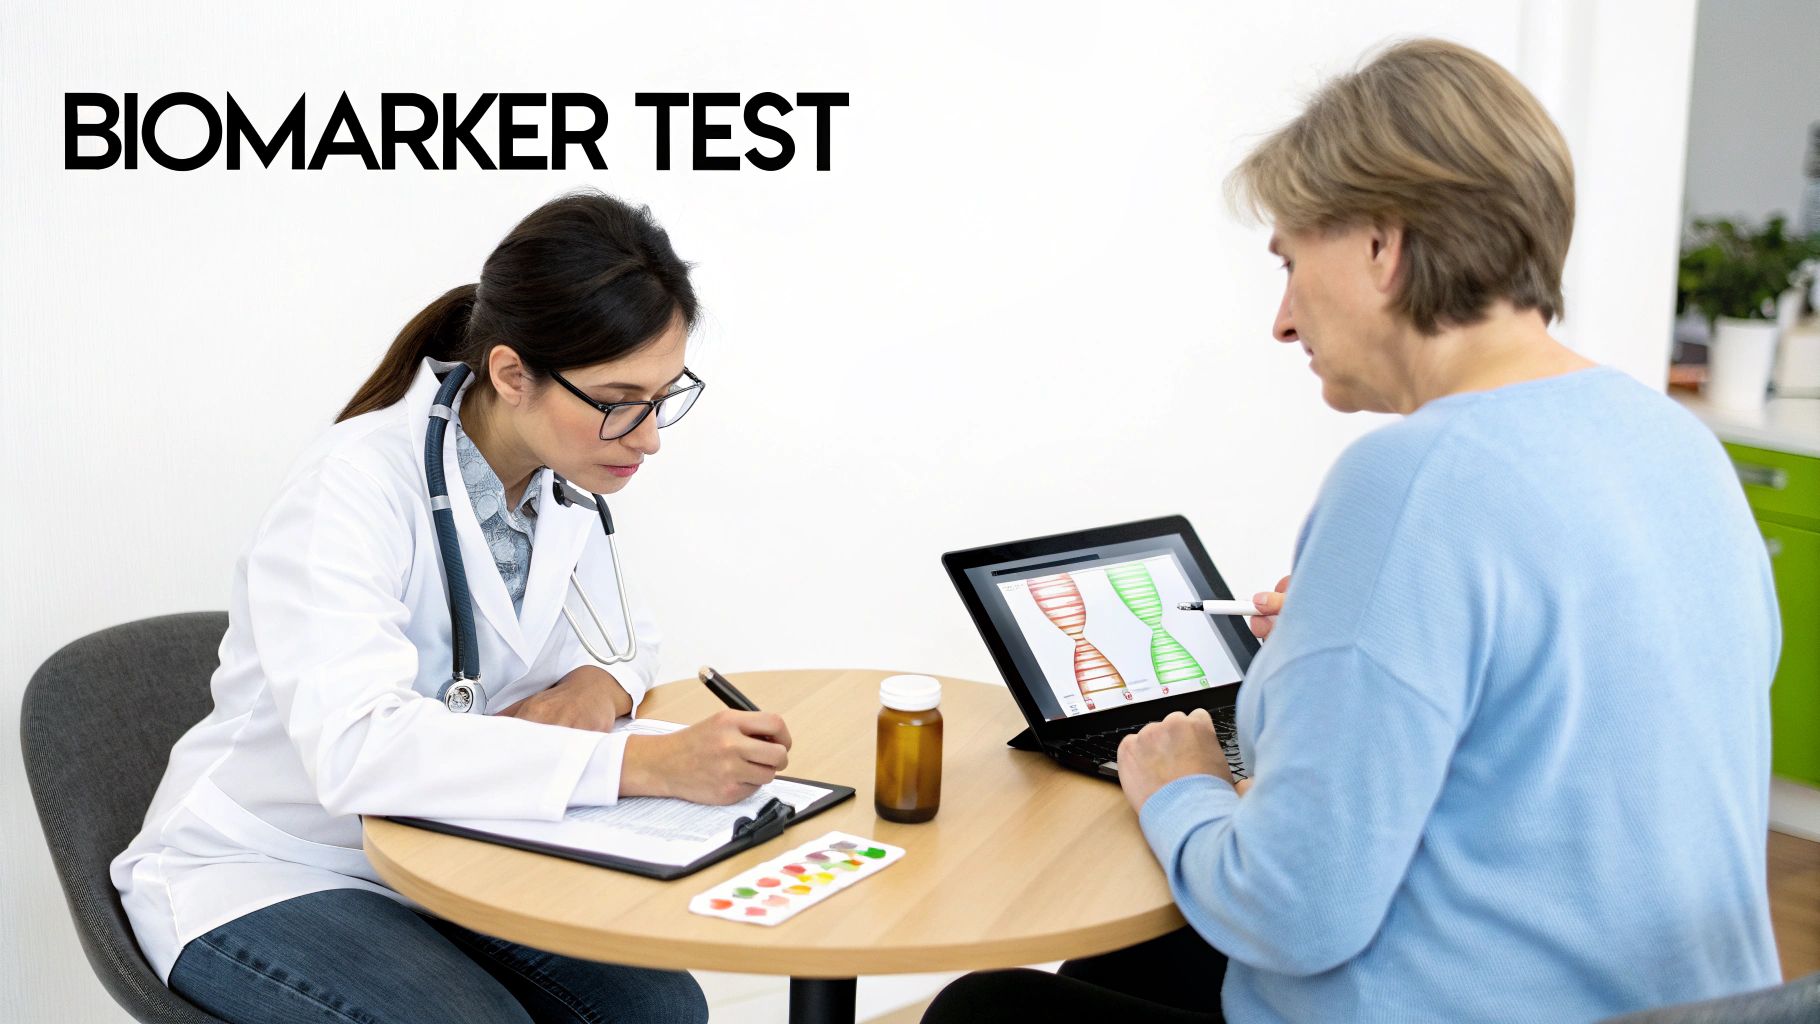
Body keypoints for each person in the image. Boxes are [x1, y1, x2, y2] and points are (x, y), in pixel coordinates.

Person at [926, 38, 1781, 1023]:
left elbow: (1290, 910)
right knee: (1115, 980)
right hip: (1675, 1006)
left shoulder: (1414, 476)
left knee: (981, 1011)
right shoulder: (1671, 442)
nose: (1282, 321)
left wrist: (1180, 782)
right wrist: (1323, 672)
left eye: (1290, 262)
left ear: (1382, 244)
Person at [111, 189, 794, 1024]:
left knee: (661, 1008)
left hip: (453, 848)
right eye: (620, 401)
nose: (649, 436)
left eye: (663, 396)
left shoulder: (561, 493)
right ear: (511, 374)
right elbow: (359, 748)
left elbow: (628, 640)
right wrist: (640, 764)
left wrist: (597, 685)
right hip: (274, 863)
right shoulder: (353, 488)